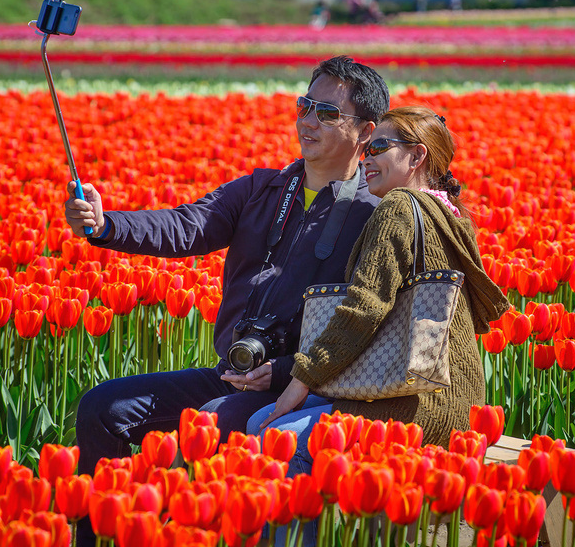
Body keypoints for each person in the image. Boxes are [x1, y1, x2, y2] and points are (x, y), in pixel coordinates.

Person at [64, 55, 389, 547]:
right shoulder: (262, 189)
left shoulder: (373, 213)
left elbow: (366, 323)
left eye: (326, 113)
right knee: (102, 407)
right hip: (234, 371)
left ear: (365, 133)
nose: (307, 121)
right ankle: (96, 536)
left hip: (299, 387)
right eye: (304, 105)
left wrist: (285, 371)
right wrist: (107, 224)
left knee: (213, 420)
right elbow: (185, 225)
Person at [247, 106, 510, 542]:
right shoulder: (452, 216)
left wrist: (303, 378)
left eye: (380, 148)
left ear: (417, 157)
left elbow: (363, 307)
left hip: (411, 406)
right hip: (454, 401)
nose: (366, 157)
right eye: (367, 148)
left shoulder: (399, 208)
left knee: (279, 439)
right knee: (261, 423)